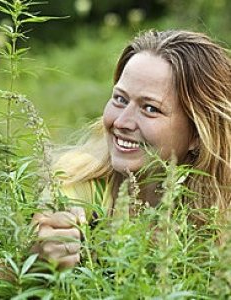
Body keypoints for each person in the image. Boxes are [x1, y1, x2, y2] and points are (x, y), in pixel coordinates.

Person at [25, 30, 231, 270]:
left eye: (150, 109)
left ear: (197, 134)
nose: (121, 122)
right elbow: (4, 284)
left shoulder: (220, 210)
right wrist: (34, 261)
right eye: (120, 99)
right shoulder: (77, 186)